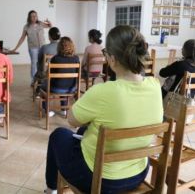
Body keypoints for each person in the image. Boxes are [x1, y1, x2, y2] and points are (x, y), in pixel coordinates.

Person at [45, 25, 163, 194]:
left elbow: (71, 119)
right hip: (138, 172)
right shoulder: (155, 85)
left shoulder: (103, 90)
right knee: (86, 129)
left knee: (59, 135)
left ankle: (51, 190)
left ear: (112, 59)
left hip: (102, 179)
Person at [41, 36, 79, 117]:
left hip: (57, 88)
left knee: (43, 86)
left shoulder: (55, 59)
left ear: (59, 47)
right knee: (64, 82)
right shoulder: (76, 58)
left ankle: (47, 110)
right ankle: (64, 109)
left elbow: (48, 75)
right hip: (71, 88)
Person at [11, 10, 52, 86]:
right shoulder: (26, 27)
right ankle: (33, 81)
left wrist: (49, 22)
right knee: (34, 64)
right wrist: (15, 49)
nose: (34, 17)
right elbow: (22, 38)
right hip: (33, 48)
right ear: (29, 18)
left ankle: (41, 80)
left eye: (35, 16)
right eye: (32, 16)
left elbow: (50, 26)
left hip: (43, 47)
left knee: (42, 64)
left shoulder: (40, 24)